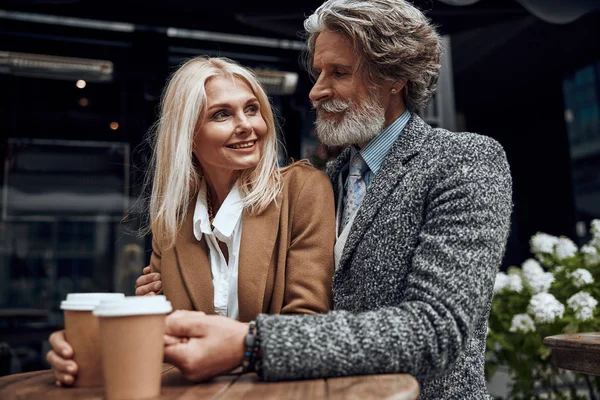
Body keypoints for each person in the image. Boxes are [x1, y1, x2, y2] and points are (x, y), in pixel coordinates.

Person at [139, 1, 513, 398]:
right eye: (319, 72)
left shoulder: (464, 160)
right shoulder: (322, 181)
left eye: (339, 72)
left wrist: (252, 343)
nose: (317, 91)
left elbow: (435, 330)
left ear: (394, 77)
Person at [46, 56, 336, 387]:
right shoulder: (171, 219)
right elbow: (163, 342)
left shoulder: (304, 190)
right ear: (188, 133)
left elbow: (309, 326)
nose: (246, 125)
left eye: (252, 109)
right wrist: (84, 348)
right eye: (221, 114)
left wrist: (230, 342)